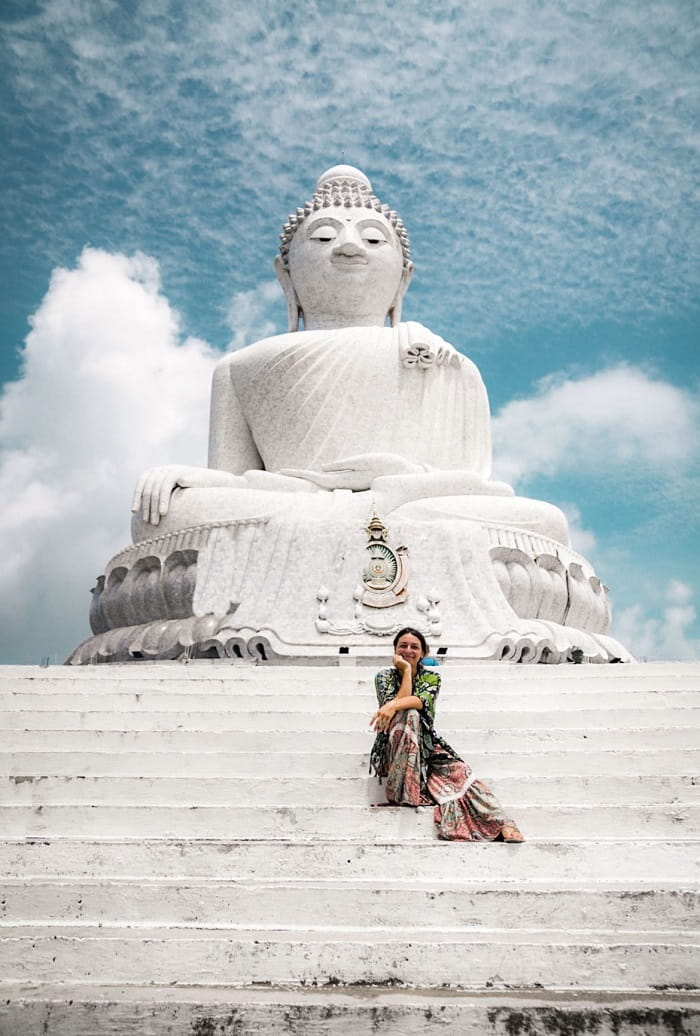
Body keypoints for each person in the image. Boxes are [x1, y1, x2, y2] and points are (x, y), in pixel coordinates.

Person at [370, 627, 525, 842]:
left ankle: (501, 823)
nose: (408, 650)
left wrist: (392, 703)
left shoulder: (431, 677)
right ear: (395, 650)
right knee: (408, 715)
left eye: (414, 647)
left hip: (426, 747)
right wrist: (405, 672)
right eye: (403, 646)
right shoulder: (384, 677)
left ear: (423, 653)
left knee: (462, 774)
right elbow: (402, 710)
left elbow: (418, 701)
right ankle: (404, 790)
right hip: (393, 748)